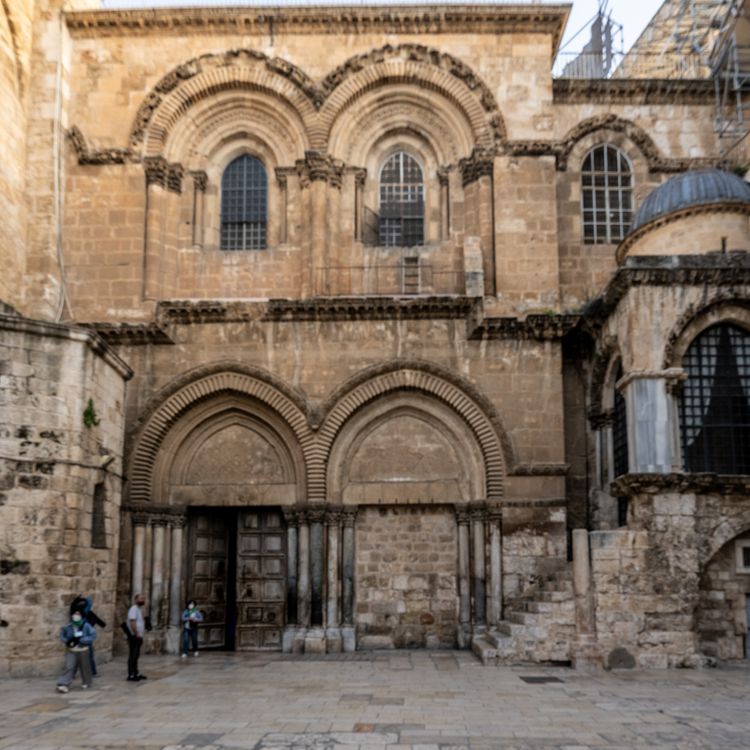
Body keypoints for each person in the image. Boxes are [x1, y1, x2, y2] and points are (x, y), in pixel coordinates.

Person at [56, 609, 96, 693]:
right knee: (69, 666)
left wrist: (83, 640)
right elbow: (62, 636)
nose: (76, 616)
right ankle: (63, 683)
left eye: (78, 614)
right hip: (71, 650)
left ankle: (87, 681)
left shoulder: (86, 626)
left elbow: (92, 635)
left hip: (83, 649)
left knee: (85, 667)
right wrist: (66, 641)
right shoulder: (68, 627)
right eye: (75, 614)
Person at [69, 594, 106, 677]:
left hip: (79, 637)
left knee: (78, 656)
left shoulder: (75, 613)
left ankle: (73, 674)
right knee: (88, 656)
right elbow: (89, 602)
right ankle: (92, 672)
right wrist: (85, 598)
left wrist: (79, 598)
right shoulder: (83, 614)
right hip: (84, 638)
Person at [126, 593, 147, 682]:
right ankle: (131, 675)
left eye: (143, 598)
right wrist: (136, 633)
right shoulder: (133, 609)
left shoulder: (138, 609)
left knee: (136, 655)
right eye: (140, 598)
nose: (142, 600)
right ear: (136, 600)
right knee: (133, 655)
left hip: (138, 635)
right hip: (134, 636)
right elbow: (132, 621)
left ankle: (136, 672)